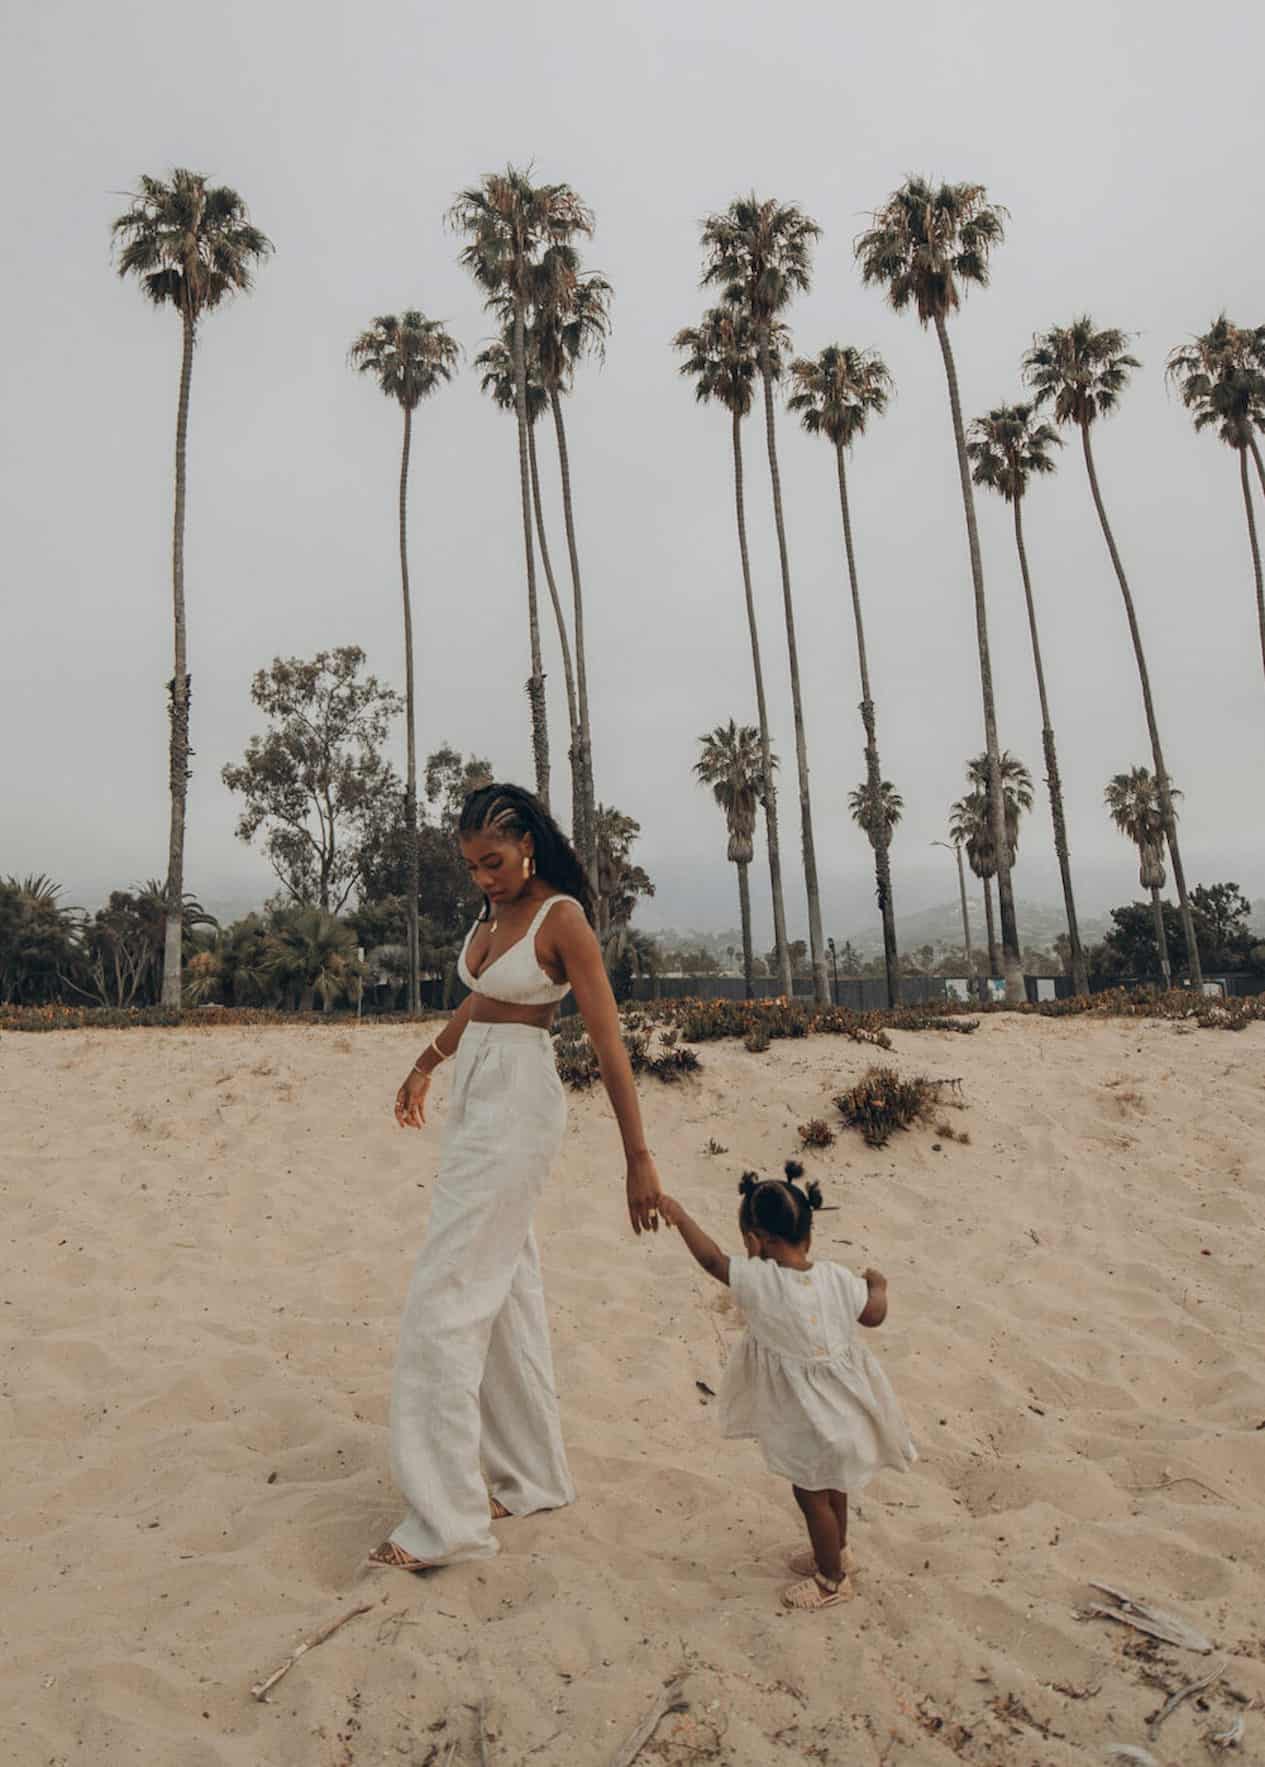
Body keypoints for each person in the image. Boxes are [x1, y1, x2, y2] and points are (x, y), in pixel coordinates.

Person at [369, 783, 664, 1572]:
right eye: (471, 867)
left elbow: (606, 1043)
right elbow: (482, 1000)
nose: (483, 878)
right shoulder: (492, 916)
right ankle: (531, 1476)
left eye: (493, 862)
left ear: (527, 842)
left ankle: (446, 1521)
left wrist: (638, 1159)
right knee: (504, 1293)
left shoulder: (559, 918)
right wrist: (426, 1061)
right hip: (475, 1096)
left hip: (519, 1106)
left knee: (445, 1298)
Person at [658, 1162, 915, 1612]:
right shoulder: (836, 1277)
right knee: (834, 1484)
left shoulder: (761, 1280)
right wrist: (879, 1285)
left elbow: (712, 1260)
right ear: (808, 1234)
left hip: (807, 1418)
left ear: (756, 1241)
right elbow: (874, 1314)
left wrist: (680, 1217)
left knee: (809, 1491)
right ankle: (839, 1552)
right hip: (847, 1410)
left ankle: (831, 1581)